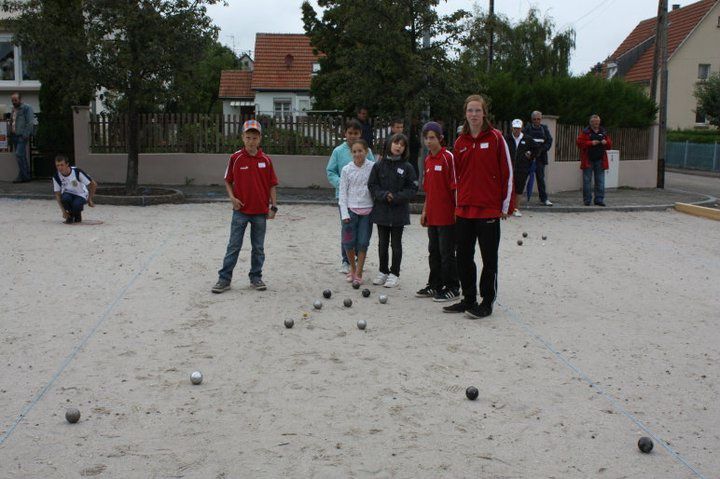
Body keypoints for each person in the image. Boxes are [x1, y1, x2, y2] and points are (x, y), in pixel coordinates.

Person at [443, 94, 513, 319]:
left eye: (477, 110)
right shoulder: (460, 142)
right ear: (465, 113)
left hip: (489, 209)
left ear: (484, 113)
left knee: (488, 257)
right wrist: (456, 204)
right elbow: (457, 176)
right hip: (464, 209)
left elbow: (507, 172)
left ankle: (487, 302)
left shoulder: (496, 138)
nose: (473, 114)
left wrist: (505, 205)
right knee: (463, 255)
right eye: (470, 111)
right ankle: (468, 299)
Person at [212, 120, 278, 294]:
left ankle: (256, 277)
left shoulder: (266, 160)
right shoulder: (235, 158)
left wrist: (274, 206)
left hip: (260, 212)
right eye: (248, 137)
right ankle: (224, 279)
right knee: (234, 246)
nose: (251, 141)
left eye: (254, 138)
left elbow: (272, 184)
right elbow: (228, 180)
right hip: (240, 211)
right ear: (242, 137)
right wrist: (232, 198)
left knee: (258, 248)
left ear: (260, 139)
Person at [416, 121, 459, 302]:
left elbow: (456, 187)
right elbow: (429, 190)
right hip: (432, 215)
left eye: (432, 138)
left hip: (447, 216)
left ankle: (453, 287)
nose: (429, 141)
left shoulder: (448, 157)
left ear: (440, 138)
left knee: (447, 253)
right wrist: (425, 211)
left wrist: (457, 211)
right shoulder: (427, 160)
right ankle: (435, 285)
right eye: (426, 138)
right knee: (433, 251)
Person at [368, 133, 418, 288]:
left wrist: (396, 197)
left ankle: (394, 273)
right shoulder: (378, 165)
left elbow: (412, 188)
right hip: (382, 211)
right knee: (382, 243)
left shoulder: (407, 167)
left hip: (398, 213)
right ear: (389, 144)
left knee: (396, 244)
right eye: (396, 143)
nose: (398, 146)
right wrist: (384, 195)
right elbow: (372, 185)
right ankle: (383, 271)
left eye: (402, 145)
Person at [326, 119, 375, 274]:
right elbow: (330, 171)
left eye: (356, 133)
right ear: (345, 133)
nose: (353, 136)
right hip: (344, 198)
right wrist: (342, 183)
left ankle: (357, 261)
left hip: (364, 199)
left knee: (362, 232)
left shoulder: (367, 151)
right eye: (350, 133)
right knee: (347, 228)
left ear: (360, 134)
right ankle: (346, 260)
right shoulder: (338, 151)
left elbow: (373, 172)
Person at [338, 139, 375, 287]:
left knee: (363, 242)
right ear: (351, 153)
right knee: (348, 242)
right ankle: (352, 268)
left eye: (360, 151)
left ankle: (359, 272)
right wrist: (344, 213)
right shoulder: (347, 170)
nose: (357, 154)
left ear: (366, 151)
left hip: (367, 211)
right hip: (350, 211)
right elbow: (342, 194)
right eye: (354, 151)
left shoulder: (373, 168)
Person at [577, 114, 613, 207]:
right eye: (594, 122)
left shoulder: (603, 132)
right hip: (588, 160)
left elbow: (609, 146)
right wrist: (591, 143)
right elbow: (579, 143)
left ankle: (599, 200)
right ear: (590, 122)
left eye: (597, 122)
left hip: (600, 160)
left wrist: (606, 142)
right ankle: (587, 200)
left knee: (600, 181)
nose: (596, 123)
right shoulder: (585, 132)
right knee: (587, 181)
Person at [52, 154, 97, 224]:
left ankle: (77, 215)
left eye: (62, 165)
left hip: (81, 194)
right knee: (65, 199)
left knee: (76, 204)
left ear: (67, 164)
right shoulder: (56, 176)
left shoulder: (77, 172)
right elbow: (57, 194)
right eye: (57, 165)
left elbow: (93, 184)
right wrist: (63, 211)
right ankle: (70, 216)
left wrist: (90, 199)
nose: (60, 167)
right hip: (68, 194)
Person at [504, 119, 535, 217]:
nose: (516, 130)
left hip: (522, 167)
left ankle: (516, 209)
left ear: (521, 128)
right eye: (514, 128)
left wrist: (530, 155)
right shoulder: (507, 138)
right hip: (508, 167)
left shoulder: (527, 139)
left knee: (519, 188)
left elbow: (536, 149)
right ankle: (506, 208)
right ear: (512, 128)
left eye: (518, 128)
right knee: (507, 187)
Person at [522, 111, 553, 206]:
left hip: (540, 158)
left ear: (541, 119)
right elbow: (522, 141)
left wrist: (542, 149)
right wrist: (527, 151)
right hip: (528, 158)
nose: (536, 121)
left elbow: (549, 141)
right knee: (523, 178)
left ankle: (544, 199)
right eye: (534, 119)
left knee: (540, 179)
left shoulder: (545, 129)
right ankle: (518, 198)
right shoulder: (527, 129)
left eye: (538, 119)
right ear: (531, 120)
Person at [10, 92, 35, 183]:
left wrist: (25, 135)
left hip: (21, 136)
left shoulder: (26, 108)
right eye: (12, 100)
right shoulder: (13, 109)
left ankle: (24, 176)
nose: (14, 102)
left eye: (15, 100)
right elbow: (13, 122)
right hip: (15, 136)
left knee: (19, 154)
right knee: (22, 156)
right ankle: (25, 175)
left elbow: (30, 122)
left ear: (20, 99)